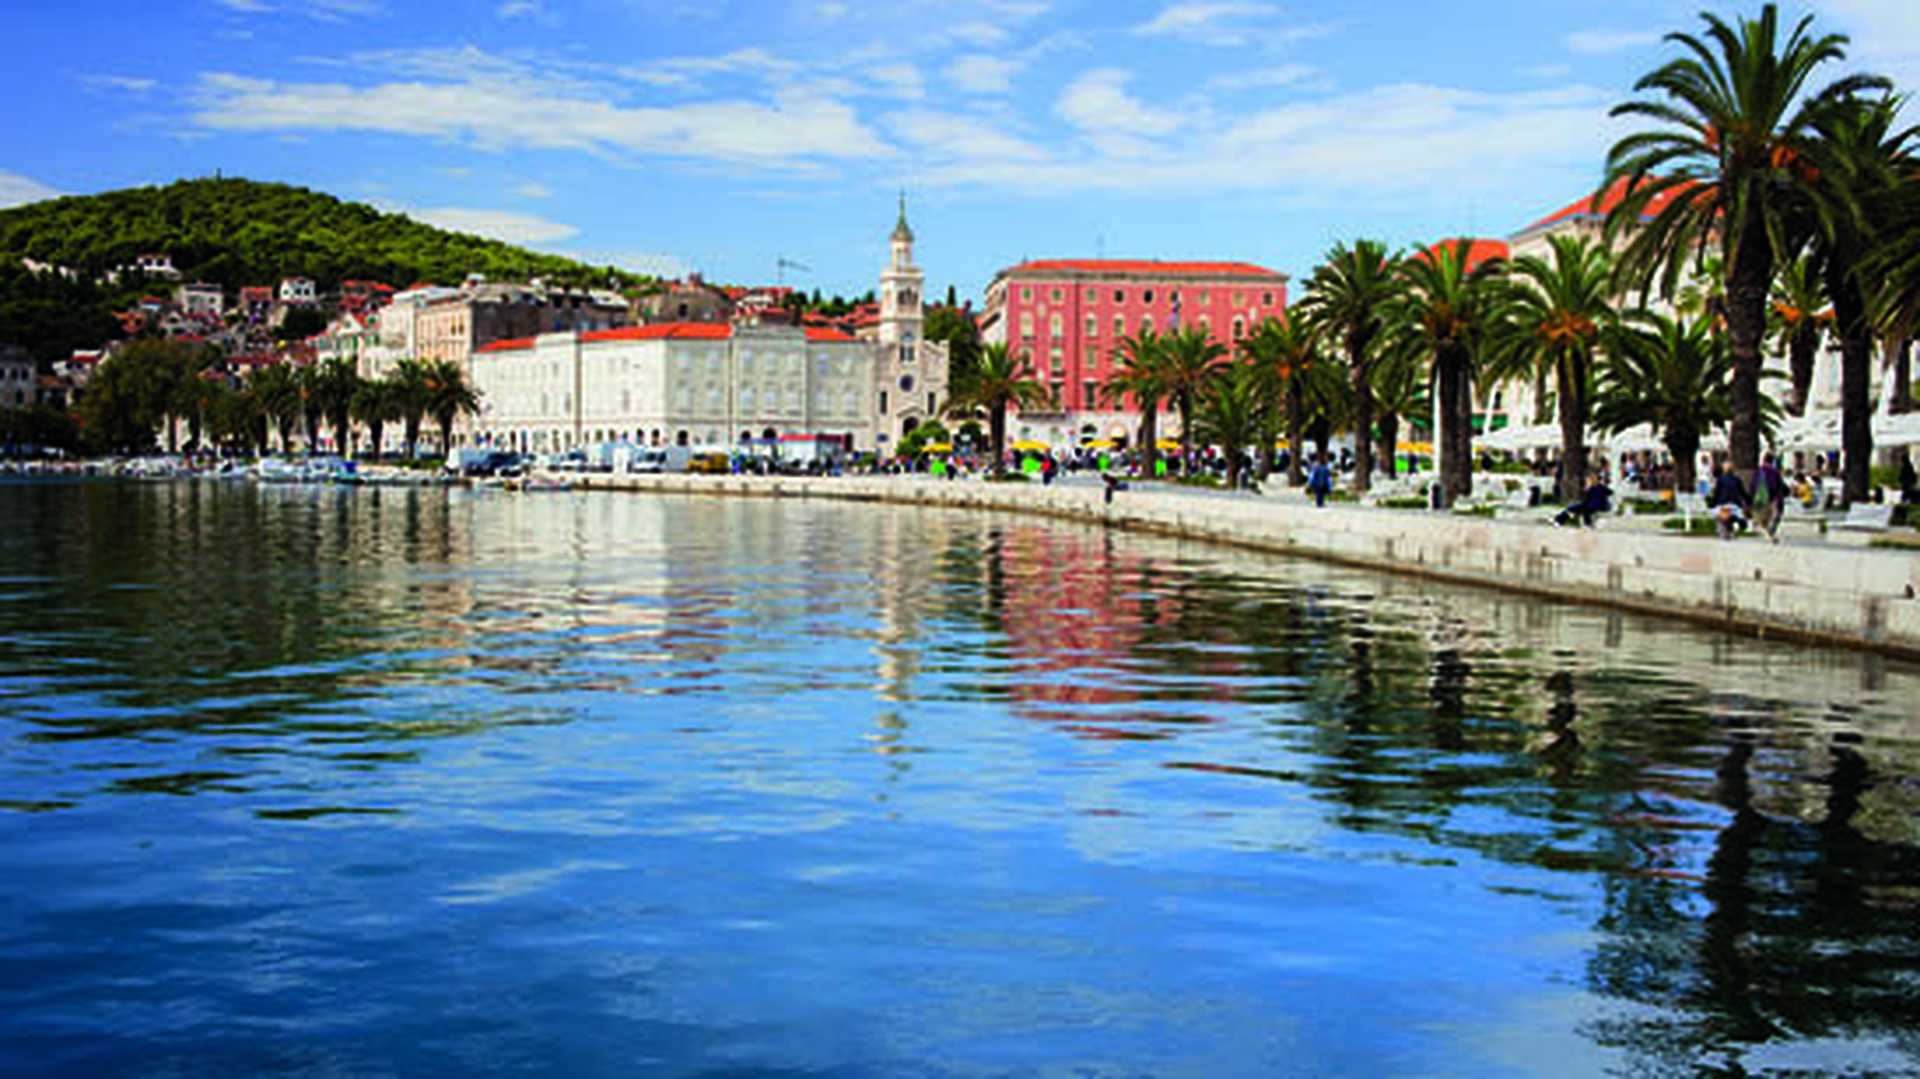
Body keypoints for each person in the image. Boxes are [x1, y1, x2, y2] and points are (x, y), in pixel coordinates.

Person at [1751, 452, 1788, 543]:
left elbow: (1752, 485)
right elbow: (1780, 487)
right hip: (1772, 499)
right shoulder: (1775, 472)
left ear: (1763, 460)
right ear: (1772, 461)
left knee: (1762, 520)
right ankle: (1770, 533)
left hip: (1760, 499)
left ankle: (1768, 534)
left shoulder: (1758, 471)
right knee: (1774, 517)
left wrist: (1752, 497)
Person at [1708, 461, 1749, 540]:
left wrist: (1712, 504)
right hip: (1735, 505)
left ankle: (1721, 531)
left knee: (1717, 516)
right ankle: (1733, 531)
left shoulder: (1720, 479)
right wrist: (1748, 501)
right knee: (1737, 517)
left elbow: (1716, 493)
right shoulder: (1737, 480)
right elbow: (1742, 493)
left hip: (1722, 504)